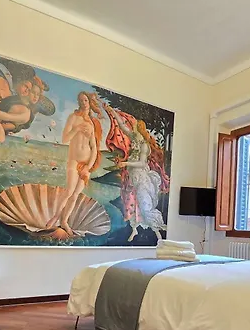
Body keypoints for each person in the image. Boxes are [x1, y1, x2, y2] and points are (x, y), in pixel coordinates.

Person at [104, 103, 167, 242]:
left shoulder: (144, 145)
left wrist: (125, 163)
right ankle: (134, 229)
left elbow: (142, 163)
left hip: (141, 178)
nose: (132, 128)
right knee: (130, 203)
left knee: (145, 206)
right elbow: (122, 125)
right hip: (132, 177)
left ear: (140, 129)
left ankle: (157, 233)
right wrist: (112, 111)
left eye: (134, 126)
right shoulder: (134, 138)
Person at [45, 92, 103, 236]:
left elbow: (94, 148)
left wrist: (88, 168)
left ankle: (64, 221)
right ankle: (55, 217)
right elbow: (65, 139)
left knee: (76, 194)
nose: (83, 103)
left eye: (85, 100)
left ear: (89, 102)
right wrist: (77, 129)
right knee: (69, 191)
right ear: (78, 102)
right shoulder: (73, 117)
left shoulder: (92, 123)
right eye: (81, 100)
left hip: (86, 164)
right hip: (74, 160)